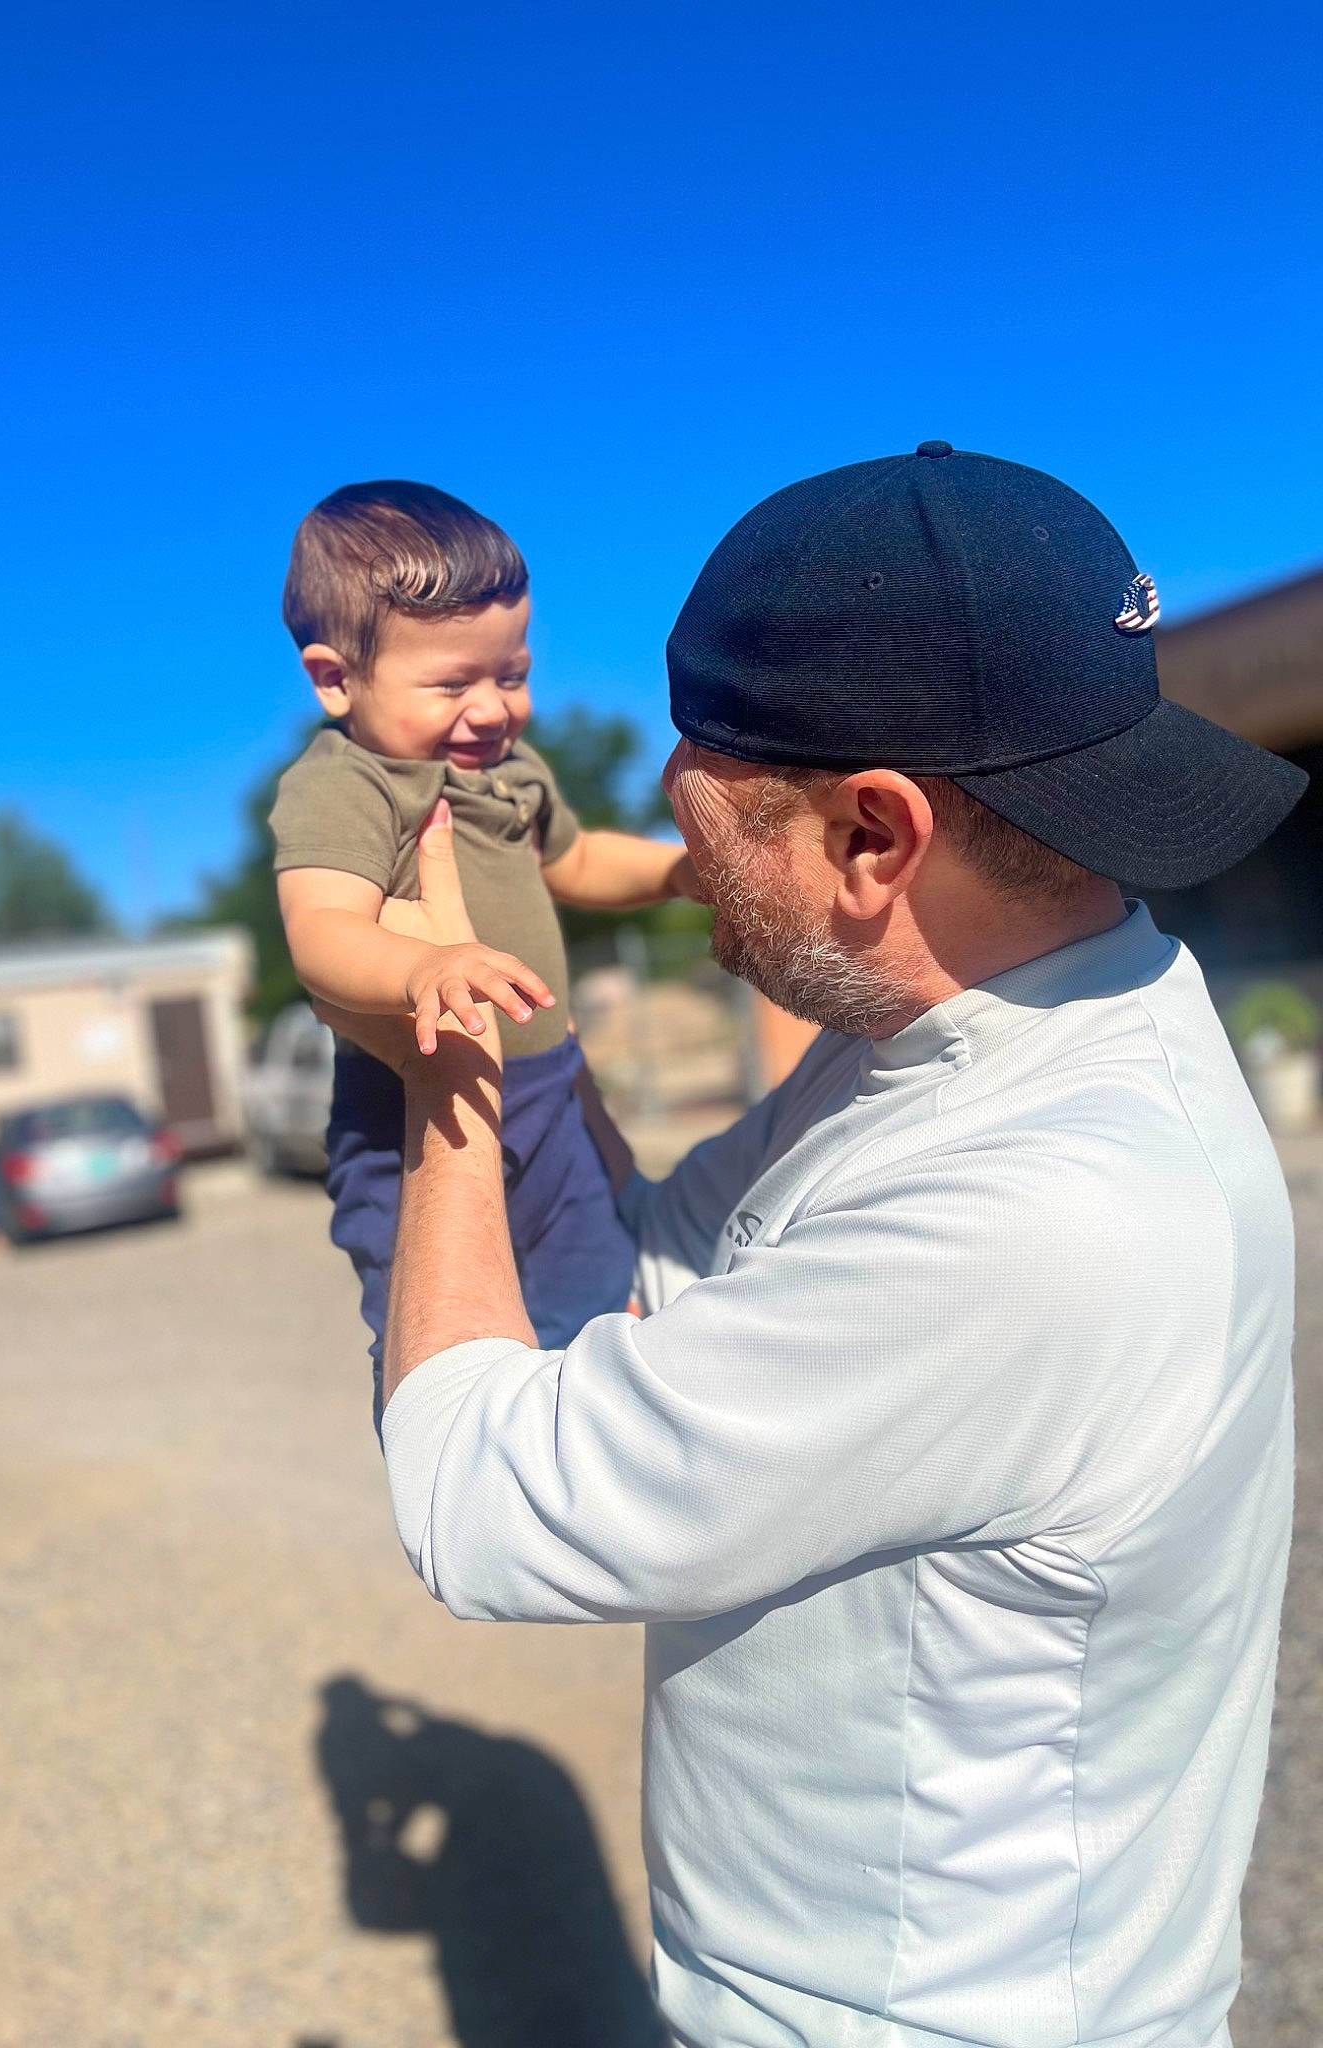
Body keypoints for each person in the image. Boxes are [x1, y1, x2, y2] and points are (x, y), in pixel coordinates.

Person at [320, 445, 1306, 2048]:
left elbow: (480, 1501)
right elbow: (660, 1259)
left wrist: (444, 1069)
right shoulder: (975, 1033)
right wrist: (547, 1087)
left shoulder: (1043, 1213)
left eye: (700, 802)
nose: (676, 848)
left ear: (873, 838)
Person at [270, 480, 697, 1417]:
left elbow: (576, 860)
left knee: (594, 1293)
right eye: (452, 684)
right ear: (336, 680)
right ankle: (460, 1451)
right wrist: (422, 967)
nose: (493, 709)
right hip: (411, 1106)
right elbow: (322, 933)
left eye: (511, 674)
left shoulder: (511, 774)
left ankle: (589, 1442)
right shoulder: (348, 784)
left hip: (551, 1094)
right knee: (442, 1326)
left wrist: (675, 871)